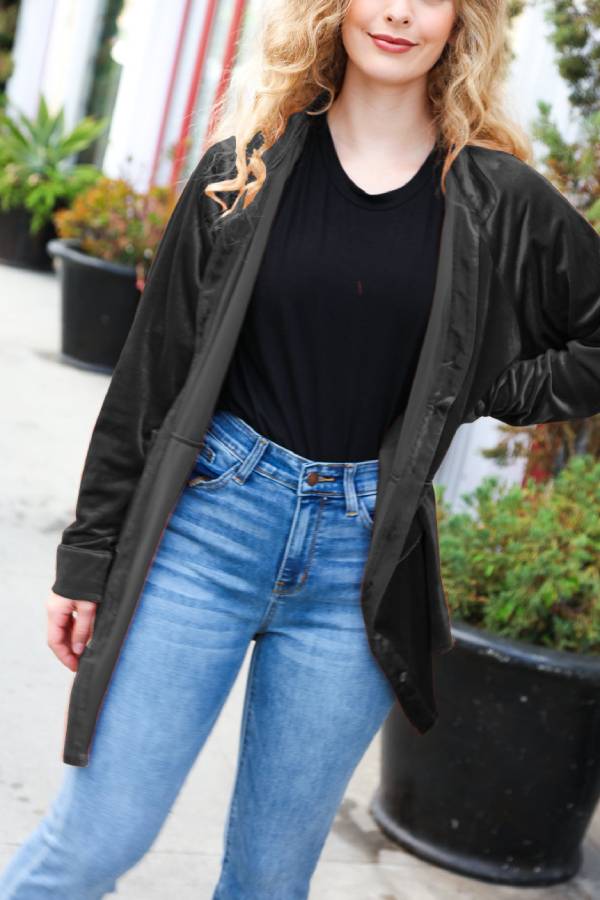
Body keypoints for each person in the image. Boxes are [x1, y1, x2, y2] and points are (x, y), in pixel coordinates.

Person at [3, 1, 600, 898]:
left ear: (460, 22)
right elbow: (148, 379)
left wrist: (483, 385)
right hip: (207, 529)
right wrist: (89, 556)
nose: (399, 13)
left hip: (361, 567)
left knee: (268, 883)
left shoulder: (495, 197)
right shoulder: (242, 171)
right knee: (93, 842)